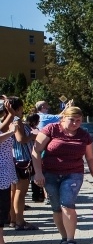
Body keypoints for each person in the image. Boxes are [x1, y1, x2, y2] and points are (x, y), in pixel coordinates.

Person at [32, 104, 93, 244]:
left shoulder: (84, 135)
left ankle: (71, 240)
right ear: (63, 118)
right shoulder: (51, 129)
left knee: (67, 204)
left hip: (73, 174)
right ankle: (64, 238)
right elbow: (36, 150)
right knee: (56, 207)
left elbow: (90, 158)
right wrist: (38, 173)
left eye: (78, 120)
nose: (75, 123)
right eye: (72, 120)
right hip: (50, 173)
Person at [9, 98, 37, 230]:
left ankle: (13, 219)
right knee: (21, 192)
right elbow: (21, 139)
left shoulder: (7, 119)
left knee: (13, 191)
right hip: (22, 160)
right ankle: (20, 221)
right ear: (19, 108)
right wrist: (32, 136)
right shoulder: (16, 120)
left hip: (13, 158)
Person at [0, 97, 22, 244]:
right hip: (1, 175)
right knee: (1, 211)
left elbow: (5, 125)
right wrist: (11, 131)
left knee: (2, 211)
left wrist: (11, 112)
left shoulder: (3, 123)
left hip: (4, 174)